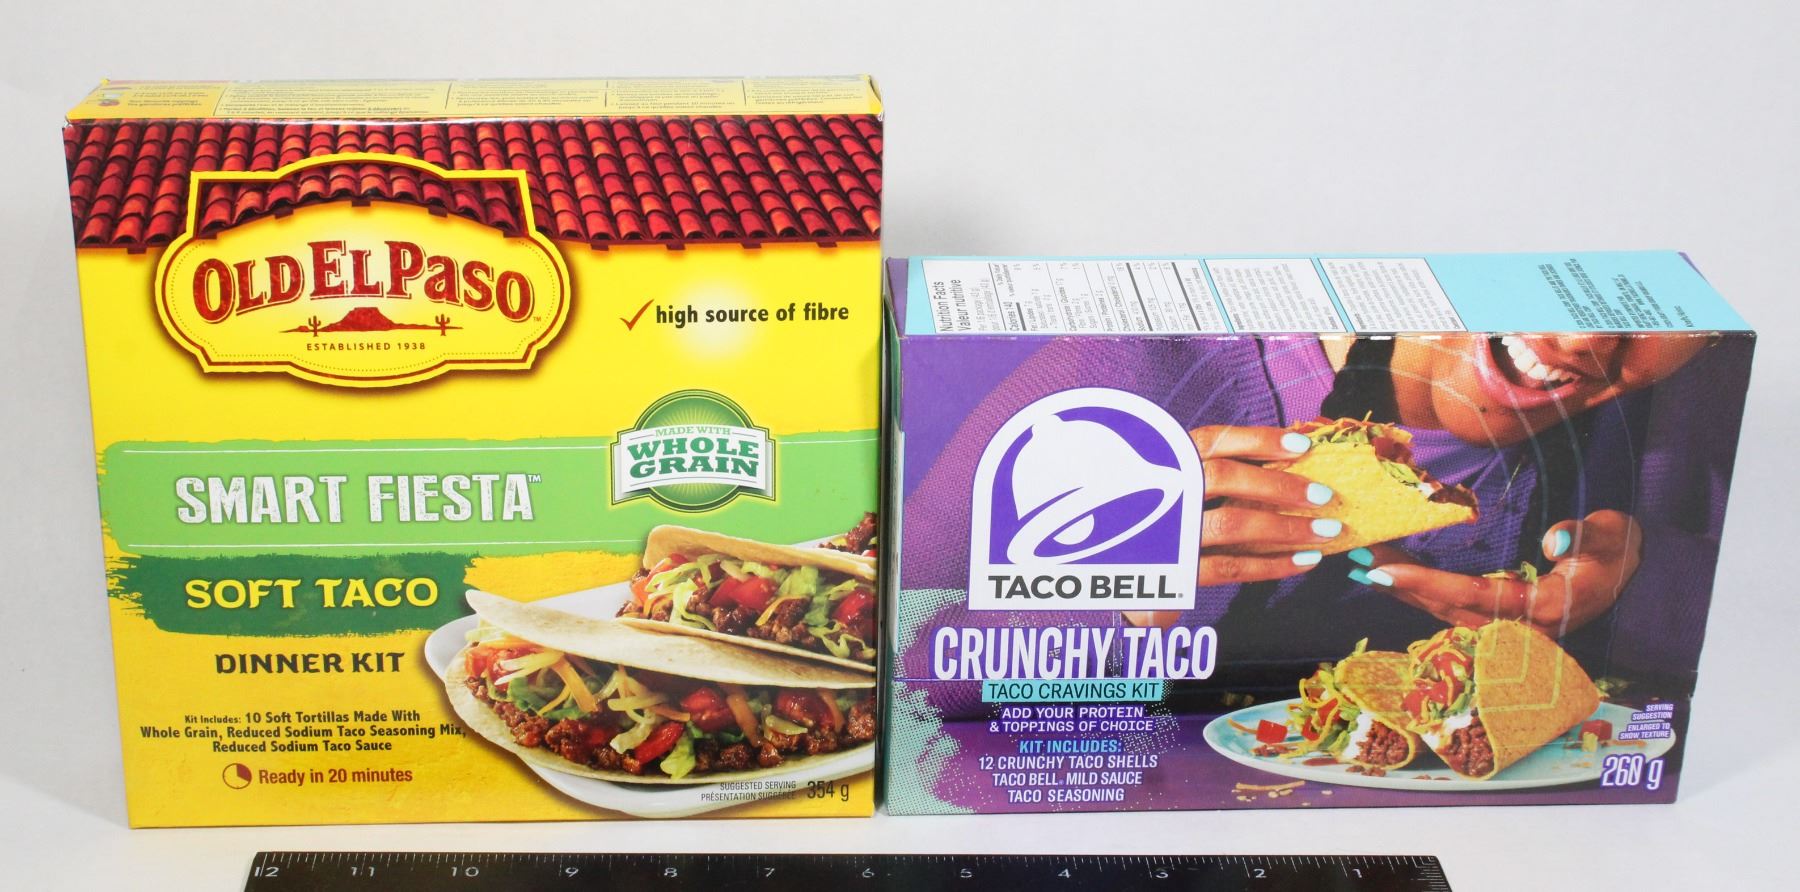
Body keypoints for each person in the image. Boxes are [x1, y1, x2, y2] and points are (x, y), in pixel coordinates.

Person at [897, 331, 1749, 695]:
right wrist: (1116, 605)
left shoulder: (1679, 409)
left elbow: (1748, 670)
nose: (1587, 340)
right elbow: (896, 665)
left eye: (1640, 310)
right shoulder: (1140, 378)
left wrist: (1637, 577)